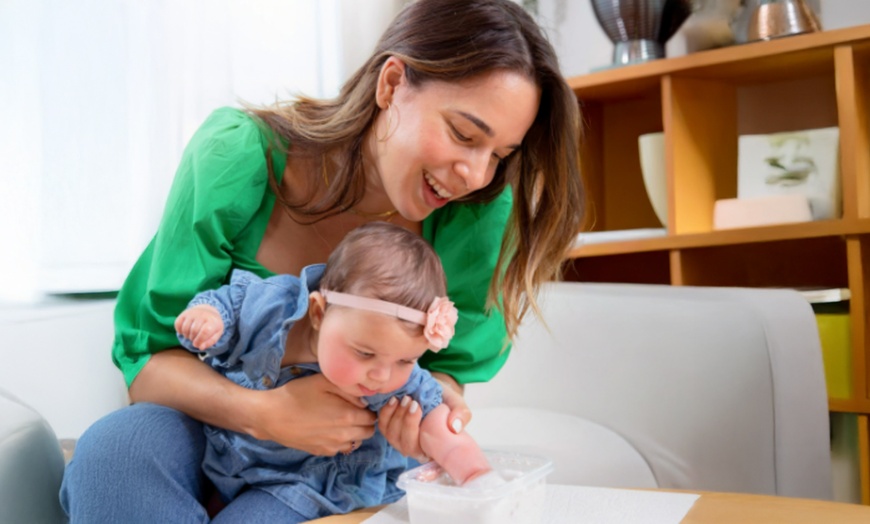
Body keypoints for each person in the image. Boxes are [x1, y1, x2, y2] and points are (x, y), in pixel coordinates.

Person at [61, 0, 585, 521]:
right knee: (116, 450)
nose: (475, 174)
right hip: (207, 425)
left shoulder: (473, 218)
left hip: (338, 464)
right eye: (464, 134)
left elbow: (445, 377)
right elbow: (148, 366)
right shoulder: (239, 158)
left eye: (498, 155)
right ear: (392, 83)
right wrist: (266, 414)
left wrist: (420, 420)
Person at [174, 222, 495, 521]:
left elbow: (437, 421)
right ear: (318, 313)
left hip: (305, 485)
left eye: (405, 360)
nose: (382, 376)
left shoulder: (401, 385)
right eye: (365, 353)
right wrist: (209, 317)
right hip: (229, 457)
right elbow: (231, 304)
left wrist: (472, 472)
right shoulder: (271, 307)